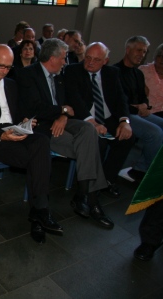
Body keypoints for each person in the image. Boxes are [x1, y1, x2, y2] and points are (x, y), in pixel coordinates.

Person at [17, 38, 113, 229]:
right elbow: (35, 108)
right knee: (88, 145)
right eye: (63, 58)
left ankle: (83, 195)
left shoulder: (60, 76)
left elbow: (71, 105)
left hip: (62, 121)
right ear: (52, 58)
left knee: (88, 129)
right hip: (43, 128)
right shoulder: (27, 74)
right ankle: (90, 199)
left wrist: (63, 115)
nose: (65, 62)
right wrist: (62, 111)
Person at [0, 45, 62, 244]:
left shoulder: (11, 84)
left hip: (13, 129)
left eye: (8, 68)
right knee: (37, 159)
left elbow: (17, 112)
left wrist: (25, 121)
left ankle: (39, 212)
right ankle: (39, 213)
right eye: (1, 66)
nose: (4, 71)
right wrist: (2, 136)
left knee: (42, 141)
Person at [65, 42, 135, 198]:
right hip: (84, 118)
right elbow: (75, 100)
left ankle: (107, 179)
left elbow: (121, 99)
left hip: (108, 118)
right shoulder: (73, 70)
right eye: (88, 57)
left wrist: (125, 121)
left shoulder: (112, 73)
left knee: (127, 138)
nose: (90, 62)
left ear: (105, 60)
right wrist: (92, 122)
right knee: (99, 142)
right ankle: (89, 189)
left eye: (96, 60)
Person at [114, 36, 163, 181]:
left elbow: (142, 97)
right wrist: (138, 108)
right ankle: (143, 171)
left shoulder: (137, 73)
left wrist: (145, 106)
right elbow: (118, 102)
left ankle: (145, 165)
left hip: (138, 112)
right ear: (128, 49)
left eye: (144, 52)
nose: (141, 54)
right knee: (155, 133)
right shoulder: (115, 71)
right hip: (124, 114)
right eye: (139, 50)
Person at [139, 43, 163, 117]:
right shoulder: (143, 71)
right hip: (148, 112)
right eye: (160, 56)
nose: (162, 59)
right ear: (155, 57)